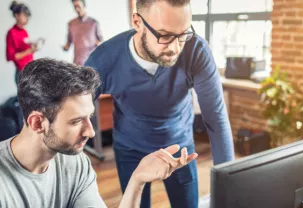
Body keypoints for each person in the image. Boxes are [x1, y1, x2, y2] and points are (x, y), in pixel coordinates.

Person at [84, 0, 235, 207]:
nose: (175, 48)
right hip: (131, 149)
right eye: (164, 35)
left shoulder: (196, 51)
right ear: (137, 22)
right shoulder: (104, 59)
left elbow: (216, 119)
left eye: (183, 34)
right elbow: (74, 112)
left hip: (180, 147)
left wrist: (228, 188)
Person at [0, 58, 197, 208]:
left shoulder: (75, 163)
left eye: (89, 117)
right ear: (37, 122)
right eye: (76, 121)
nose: (91, 132)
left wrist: (138, 179)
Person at [6, 1, 40, 84]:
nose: (27, 18)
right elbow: (10, 56)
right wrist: (29, 51)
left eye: (27, 16)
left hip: (30, 69)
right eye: (24, 15)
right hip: (21, 72)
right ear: (16, 16)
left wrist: (33, 47)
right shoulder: (11, 33)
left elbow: (26, 48)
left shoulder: (24, 32)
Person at [63, 0, 103, 65]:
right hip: (77, 63)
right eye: (75, 6)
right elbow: (68, 43)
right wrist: (65, 47)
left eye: (78, 6)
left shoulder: (94, 23)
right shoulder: (71, 24)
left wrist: (98, 44)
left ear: (84, 6)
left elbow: (100, 41)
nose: (77, 9)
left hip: (92, 62)